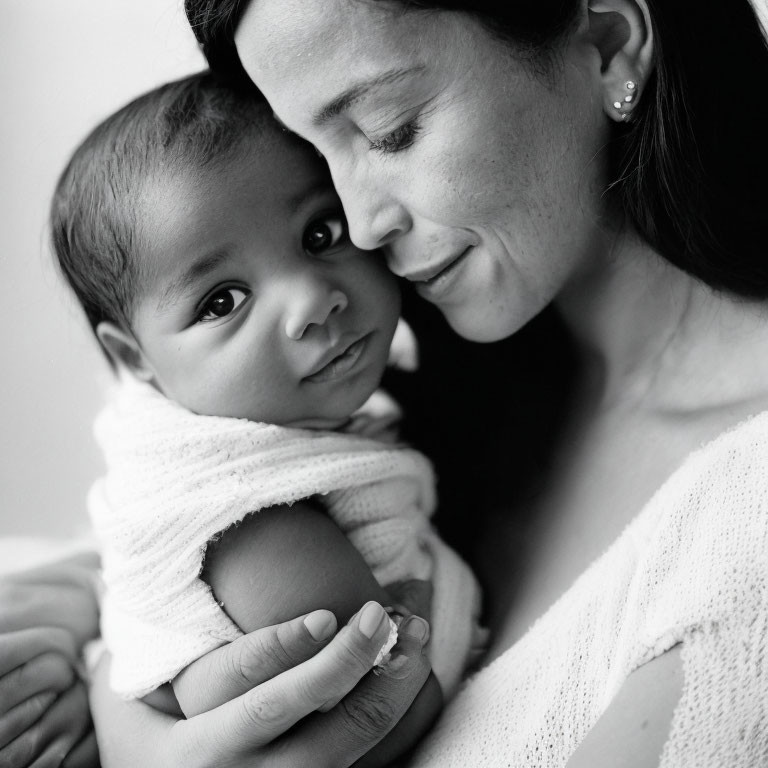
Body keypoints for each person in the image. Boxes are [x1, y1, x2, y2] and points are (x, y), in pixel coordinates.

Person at [3, 0, 768, 765]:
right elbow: (132, 565)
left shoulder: (738, 534)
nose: (361, 227)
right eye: (317, 157)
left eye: (388, 129)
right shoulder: (374, 409)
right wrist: (123, 694)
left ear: (606, 40)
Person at [48, 69, 490, 766]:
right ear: (136, 358)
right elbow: (388, 710)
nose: (311, 301)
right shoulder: (252, 513)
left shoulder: (290, 418)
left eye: (320, 232)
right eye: (222, 301)